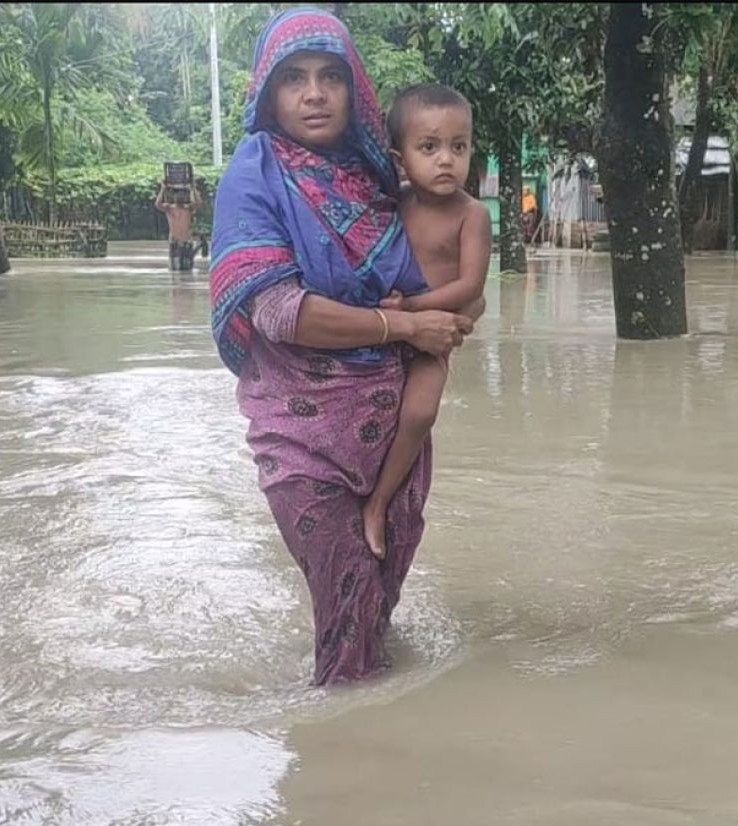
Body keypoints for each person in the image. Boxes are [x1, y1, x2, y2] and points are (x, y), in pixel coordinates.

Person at [209, 8, 476, 686]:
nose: (314, 93)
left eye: (331, 76)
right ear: (269, 92)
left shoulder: (384, 176)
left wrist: (454, 317)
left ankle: (376, 768)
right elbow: (276, 311)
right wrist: (406, 327)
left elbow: (456, 284)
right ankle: (338, 763)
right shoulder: (254, 175)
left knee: (371, 612)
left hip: (396, 436)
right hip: (304, 440)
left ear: (354, 87)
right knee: (348, 615)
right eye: (293, 78)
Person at [359, 84, 490, 559]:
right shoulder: (394, 203)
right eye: (429, 148)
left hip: (432, 334)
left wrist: (414, 311)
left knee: (419, 413)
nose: (446, 161)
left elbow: (471, 287)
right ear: (400, 158)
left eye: (459, 147)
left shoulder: (472, 215)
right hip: (384, 327)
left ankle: (377, 504)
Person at [156, 182, 202, 272]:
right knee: (174, 269)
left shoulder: (188, 208)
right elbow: (157, 204)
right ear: (174, 198)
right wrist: (163, 189)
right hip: (174, 242)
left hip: (186, 242)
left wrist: (193, 189)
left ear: (185, 198)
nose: (180, 196)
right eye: (178, 195)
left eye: (182, 195)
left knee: (188, 268)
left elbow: (199, 203)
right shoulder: (169, 208)